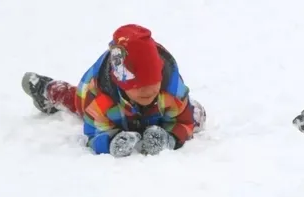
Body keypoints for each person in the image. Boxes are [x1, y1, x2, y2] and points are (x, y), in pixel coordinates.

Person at [20, 24, 206, 157]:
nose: (148, 91)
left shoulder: (171, 91)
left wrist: (170, 138)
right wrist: (110, 142)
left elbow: (184, 121)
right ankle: (47, 90)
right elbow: (93, 134)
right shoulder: (100, 99)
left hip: (156, 112)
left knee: (195, 115)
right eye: (138, 86)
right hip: (107, 105)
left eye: (153, 82)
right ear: (122, 84)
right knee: (77, 102)